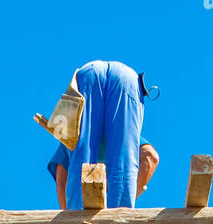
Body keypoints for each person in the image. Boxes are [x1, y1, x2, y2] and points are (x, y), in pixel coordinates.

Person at [43, 60, 160, 210]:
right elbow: (150, 157)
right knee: (122, 169)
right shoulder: (124, 139)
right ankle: (118, 212)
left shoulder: (74, 139)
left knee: (81, 162)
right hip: (126, 78)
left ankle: (80, 215)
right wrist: (129, 195)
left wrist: (68, 216)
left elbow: (62, 180)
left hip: (89, 73)